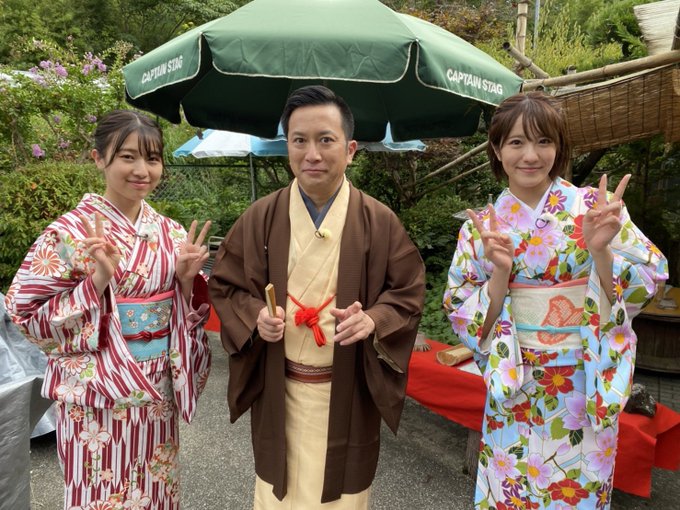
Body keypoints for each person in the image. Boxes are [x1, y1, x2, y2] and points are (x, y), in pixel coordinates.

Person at [443, 91, 668, 509]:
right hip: (514, 384)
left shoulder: (595, 207)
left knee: (576, 494)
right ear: (497, 149)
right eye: (516, 142)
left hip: (582, 385)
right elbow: (461, 310)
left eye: (543, 141)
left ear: (559, 147)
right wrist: (500, 274)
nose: (531, 155)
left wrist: (601, 252)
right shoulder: (481, 227)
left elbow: (650, 277)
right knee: (510, 491)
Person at [208, 85, 425, 508]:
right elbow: (225, 286)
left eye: (326, 140)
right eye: (299, 140)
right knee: (279, 495)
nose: (312, 154)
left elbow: (408, 291)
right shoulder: (261, 217)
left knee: (342, 498)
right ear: (287, 147)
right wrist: (256, 316)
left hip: (347, 394)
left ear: (350, 149)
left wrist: (374, 319)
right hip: (279, 389)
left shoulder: (378, 221)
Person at [4, 110, 212, 509]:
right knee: (98, 491)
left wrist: (186, 280)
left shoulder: (170, 231)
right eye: (128, 157)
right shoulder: (68, 233)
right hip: (97, 393)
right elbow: (25, 312)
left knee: (156, 490)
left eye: (152, 158)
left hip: (155, 390)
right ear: (99, 158)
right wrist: (97, 280)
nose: (142, 170)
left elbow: (186, 312)